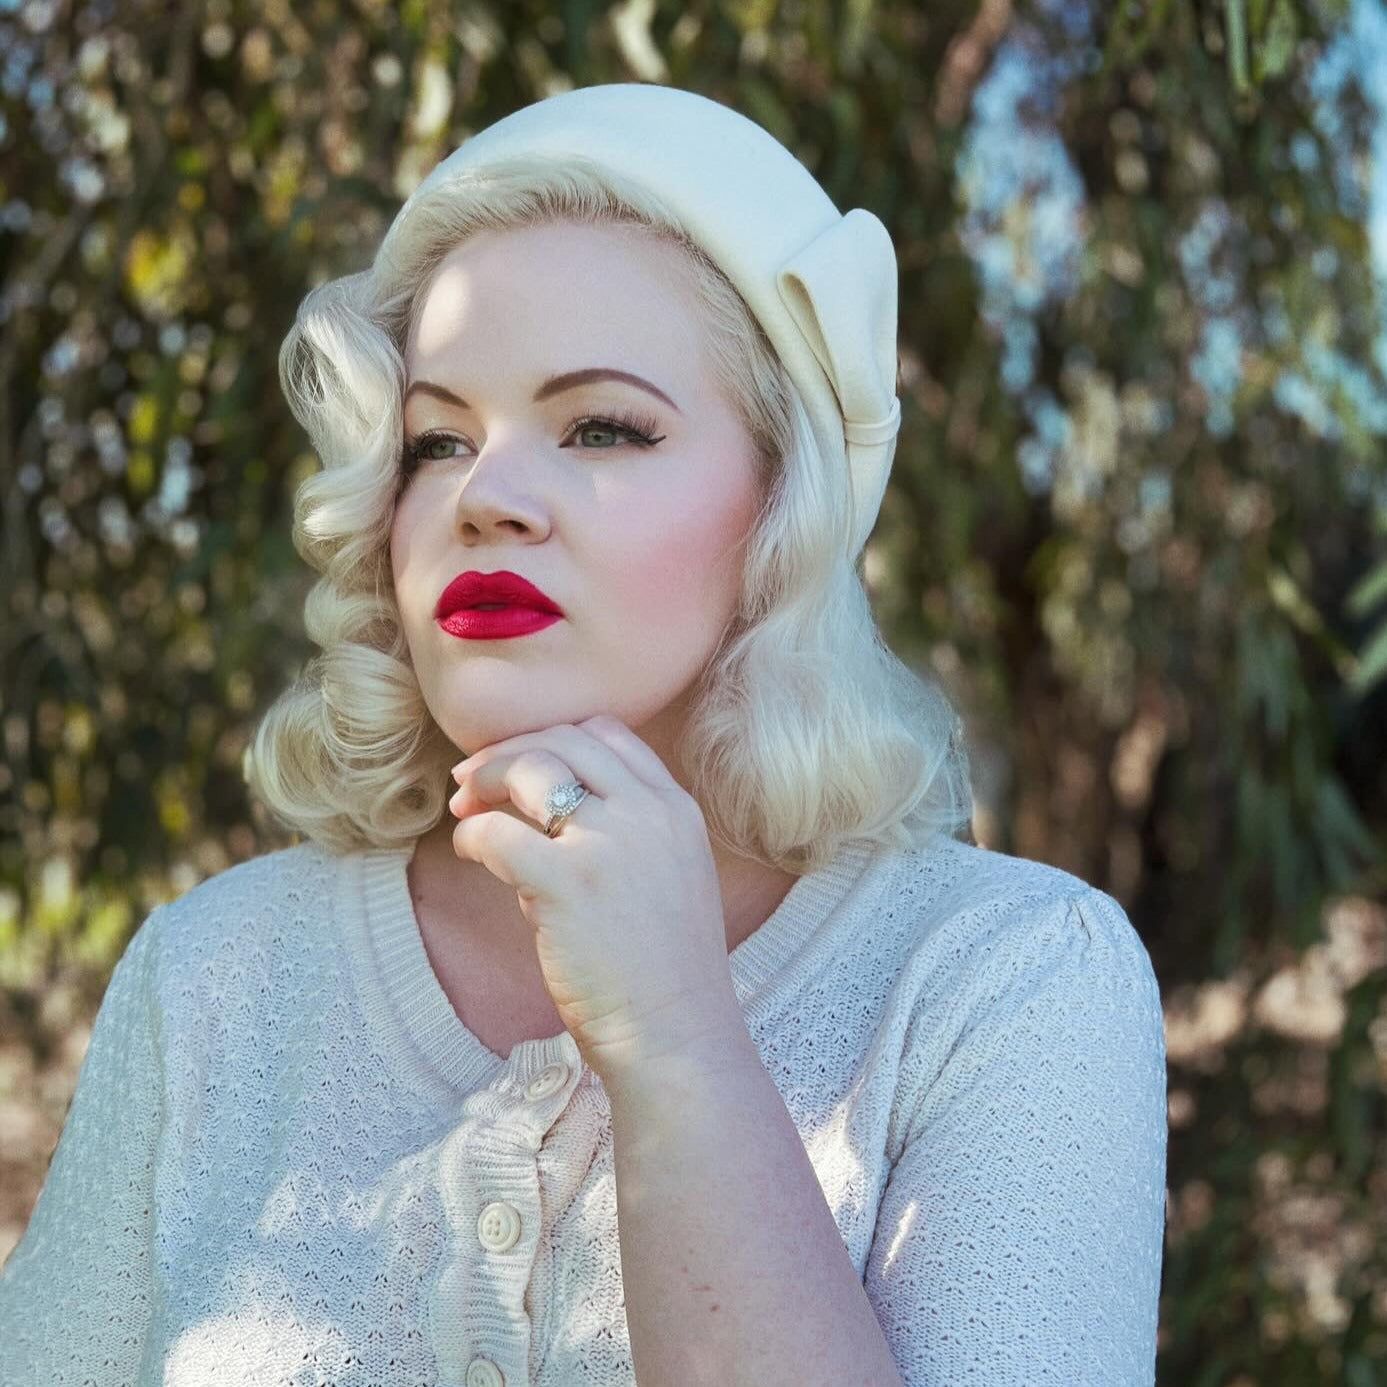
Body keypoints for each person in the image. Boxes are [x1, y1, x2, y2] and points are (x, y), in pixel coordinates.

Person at [0, 83, 1167, 1386]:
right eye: (436, 440)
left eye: (601, 427)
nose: (487, 496)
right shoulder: (212, 975)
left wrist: (677, 1039)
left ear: (787, 505)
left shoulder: (1009, 980)